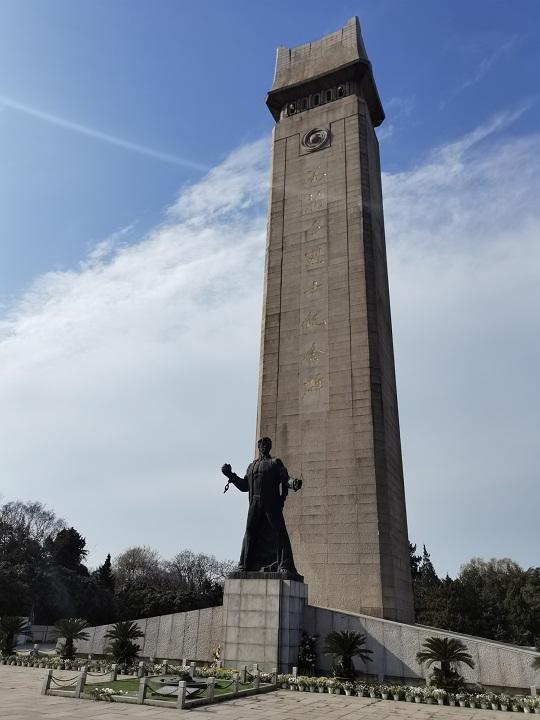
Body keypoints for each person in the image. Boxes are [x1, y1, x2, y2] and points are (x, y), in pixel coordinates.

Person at [221, 437, 302, 578]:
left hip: (271, 503)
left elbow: (285, 478)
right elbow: (244, 486)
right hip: (255, 502)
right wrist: (230, 475)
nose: (264, 447)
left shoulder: (274, 463)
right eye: (262, 445)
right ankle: (244, 565)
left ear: (269, 447)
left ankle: (284, 565)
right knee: (250, 532)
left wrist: (293, 483)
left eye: (267, 445)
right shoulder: (251, 467)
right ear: (259, 447)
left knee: (279, 532)